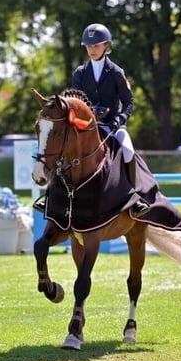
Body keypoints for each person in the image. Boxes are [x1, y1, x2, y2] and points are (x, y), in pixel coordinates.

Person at [33, 22, 150, 218]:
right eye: (89, 46)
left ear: (106, 45)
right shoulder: (80, 73)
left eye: (96, 45)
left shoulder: (116, 72)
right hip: (85, 127)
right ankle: (51, 197)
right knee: (62, 150)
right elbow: (76, 100)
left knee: (128, 150)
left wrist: (119, 119)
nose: (92, 50)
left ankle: (134, 197)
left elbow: (128, 101)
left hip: (112, 125)